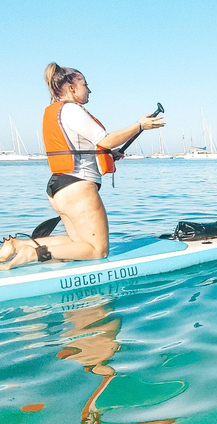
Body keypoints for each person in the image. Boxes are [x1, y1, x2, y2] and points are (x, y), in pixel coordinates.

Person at [0, 62, 164, 270]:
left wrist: (109, 155)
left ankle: (16, 245)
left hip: (60, 187)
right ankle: (33, 253)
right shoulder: (72, 110)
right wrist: (139, 125)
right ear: (71, 88)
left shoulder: (58, 111)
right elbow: (106, 139)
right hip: (78, 189)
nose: (89, 90)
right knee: (97, 250)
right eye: (86, 85)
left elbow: (82, 147)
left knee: (78, 245)